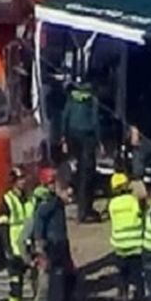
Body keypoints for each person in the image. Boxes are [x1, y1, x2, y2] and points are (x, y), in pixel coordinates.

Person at [24, 167, 74, 301]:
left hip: (60, 247)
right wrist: (40, 251)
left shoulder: (54, 201)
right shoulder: (46, 203)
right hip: (52, 249)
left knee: (66, 284)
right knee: (53, 291)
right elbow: (38, 224)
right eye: (53, 182)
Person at [0, 167, 32, 301]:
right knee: (15, 287)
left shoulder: (29, 199)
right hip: (15, 248)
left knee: (34, 283)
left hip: (29, 247)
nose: (23, 182)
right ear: (14, 182)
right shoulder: (7, 200)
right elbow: (3, 228)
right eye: (20, 179)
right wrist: (8, 249)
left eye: (24, 178)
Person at [60, 78, 100, 223]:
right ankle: (85, 210)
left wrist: (63, 137)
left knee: (76, 171)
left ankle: (77, 203)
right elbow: (95, 121)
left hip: (72, 137)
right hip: (87, 138)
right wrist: (99, 141)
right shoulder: (92, 100)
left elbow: (64, 117)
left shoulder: (71, 98)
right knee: (88, 174)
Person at [106, 172, 145, 301]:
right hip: (135, 246)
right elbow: (139, 214)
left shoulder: (112, 205)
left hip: (120, 247)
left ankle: (124, 299)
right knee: (138, 278)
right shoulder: (132, 201)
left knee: (122, 276)